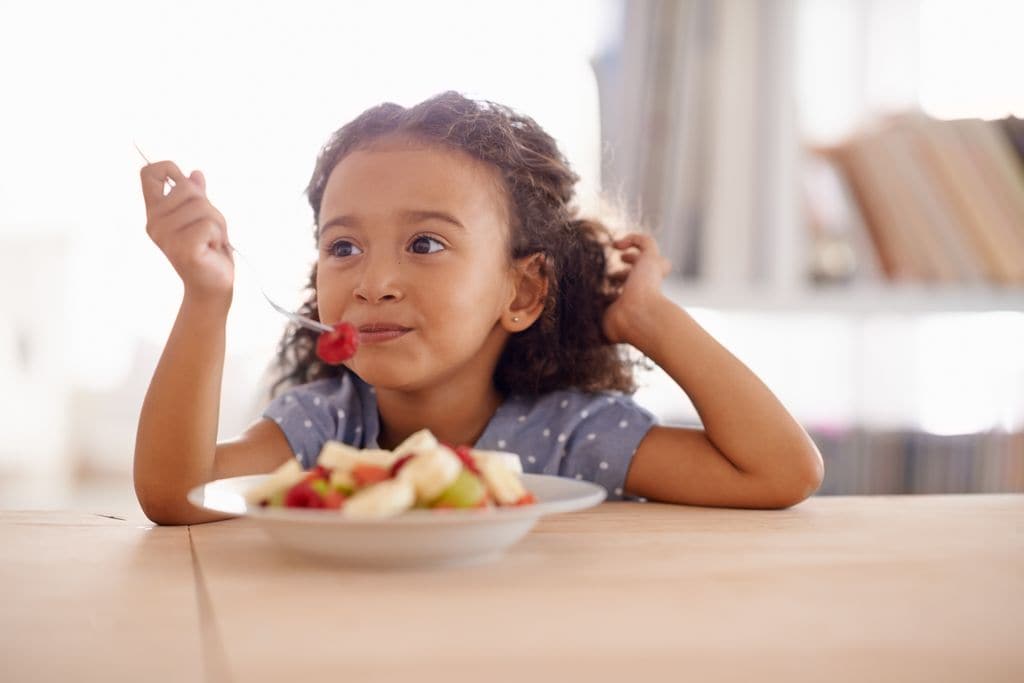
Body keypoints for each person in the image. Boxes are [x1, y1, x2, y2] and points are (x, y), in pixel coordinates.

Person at [134, 92, 823, 525]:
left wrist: (650, 321)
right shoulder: (328, 423)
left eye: (425, 243)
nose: (373, 282)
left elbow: (780, 471)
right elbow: (179, 495)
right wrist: (206, 295)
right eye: (343, 246)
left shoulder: (568, 435)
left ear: (521, 292)